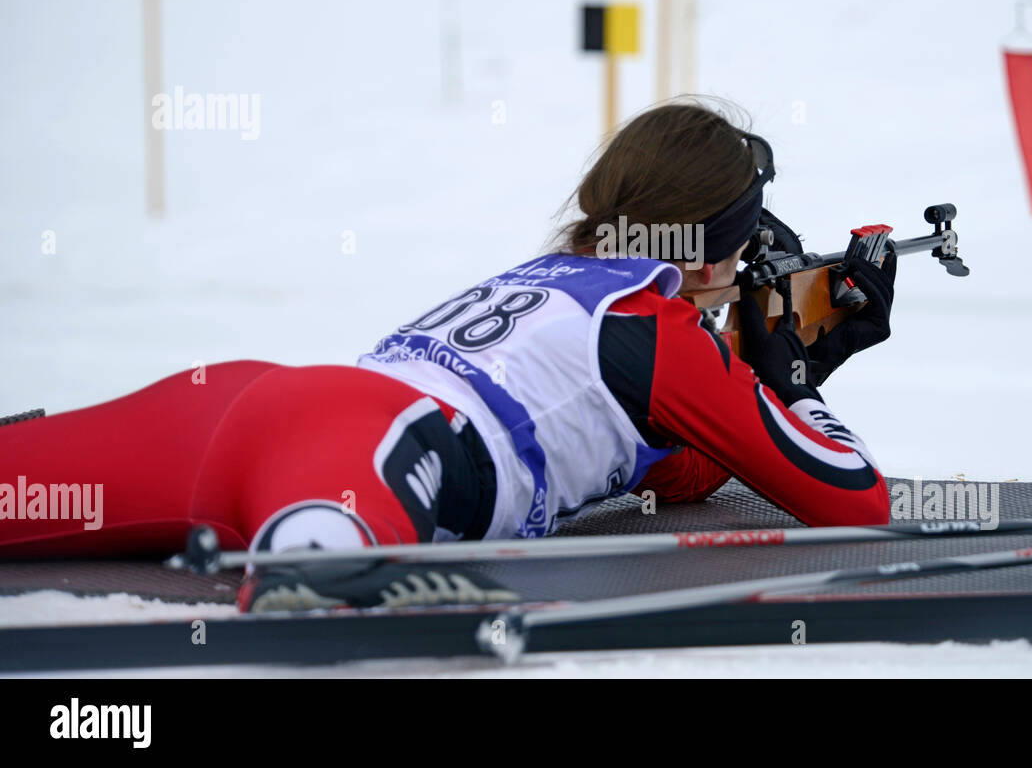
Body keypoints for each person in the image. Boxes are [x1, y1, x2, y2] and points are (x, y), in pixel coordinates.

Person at [0, 102, 896, 612]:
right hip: (385, 450)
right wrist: (789, 380)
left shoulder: (554, 273)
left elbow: (670, 465)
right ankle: (314, 553)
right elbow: (853, 498)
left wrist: (781, 376)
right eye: (740, 257)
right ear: (706, 257)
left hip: (248, 404)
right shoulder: (658, 333)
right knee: (320, 580)